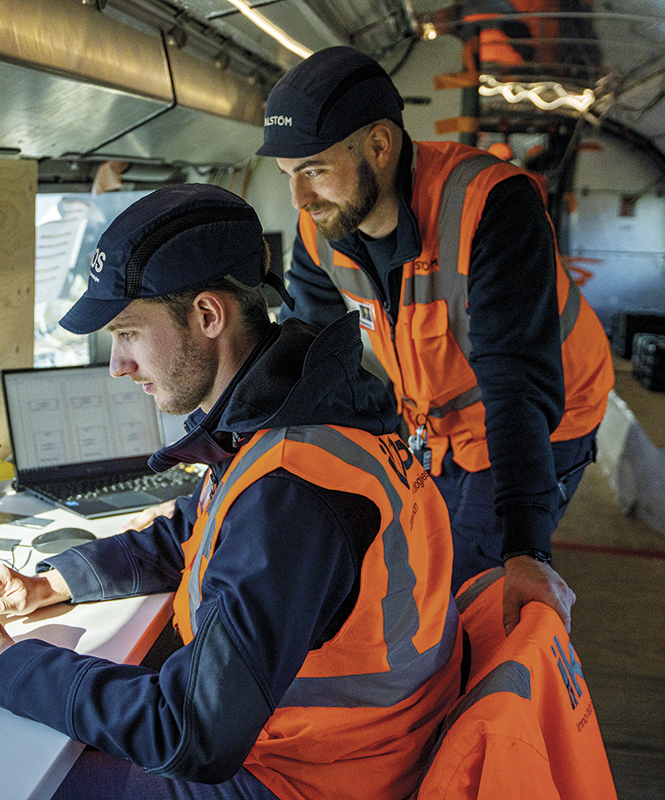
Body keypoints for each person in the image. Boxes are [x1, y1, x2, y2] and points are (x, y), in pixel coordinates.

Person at [0, 184, 462, 800]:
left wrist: (3, 665)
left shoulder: (292, 487)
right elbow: (199, 526)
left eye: (127, 333)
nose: (117, 366)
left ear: (208, 317)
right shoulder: (295, 409)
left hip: (310, 779)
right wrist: (48, 583)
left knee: (6, 780)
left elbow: (191, 731)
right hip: (356, 749)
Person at [256, 46, 614, 634]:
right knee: (423, 562)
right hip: (434, 422)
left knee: (474, 590)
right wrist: (230, 465)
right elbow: (304, 360)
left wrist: (527, 549)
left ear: (379, 144)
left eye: (315, 169)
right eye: (288, 176)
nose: (300, 198)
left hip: (542, 415)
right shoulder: (320, 227)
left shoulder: (491, 204)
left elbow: (514, 381)